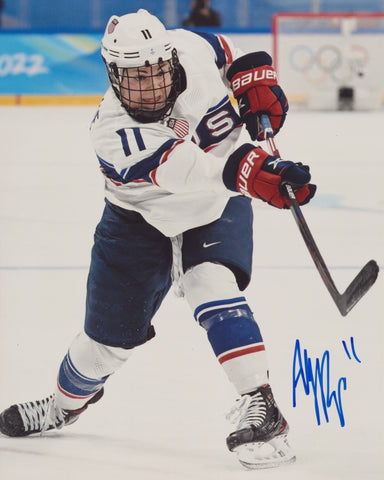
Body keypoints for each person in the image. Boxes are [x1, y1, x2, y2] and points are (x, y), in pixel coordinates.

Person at [0, 9, 316, 469]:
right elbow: (193, 171)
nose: (147, 86)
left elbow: (225, 50)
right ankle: (62, 407)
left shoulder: (188, 46)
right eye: (132, 77)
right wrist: (258, 174)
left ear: (170, 57)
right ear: (111, 72)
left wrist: (253, 76)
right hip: (138, 220)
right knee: (105, 343)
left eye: (155, 72)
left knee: (211, 282)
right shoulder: (112, 132)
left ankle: (261, 403)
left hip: (216, 206)